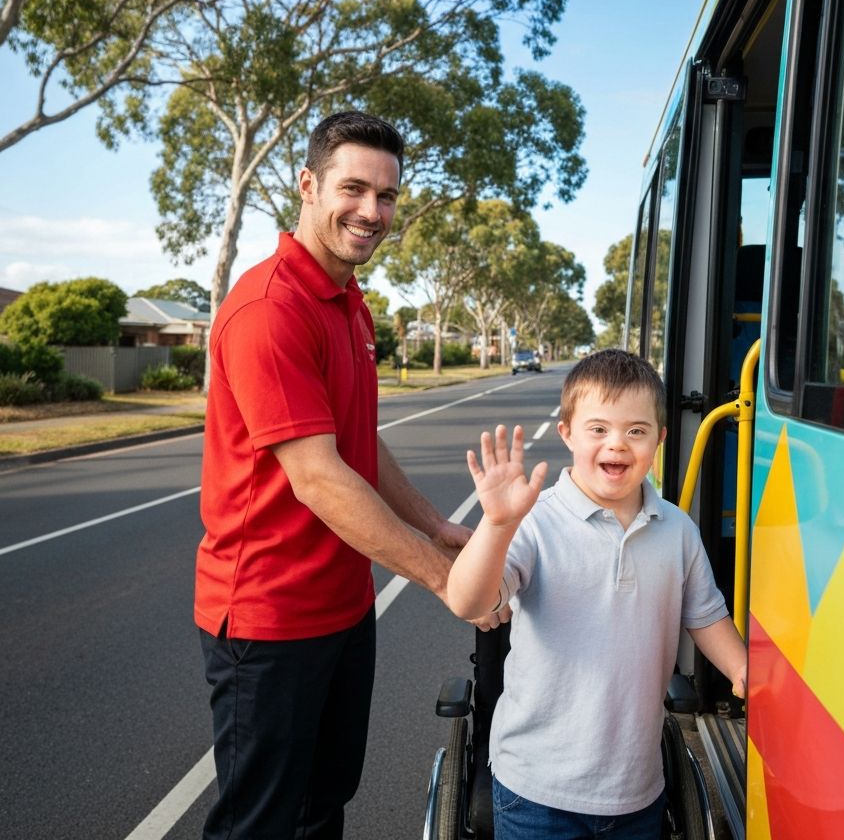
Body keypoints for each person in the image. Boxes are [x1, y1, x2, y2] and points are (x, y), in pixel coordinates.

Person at [194, 110, 473, 839]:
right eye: (355, 189)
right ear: (308, 185)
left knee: (323, 807)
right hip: (268, 617)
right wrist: (444, 579)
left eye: (386, 197)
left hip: (345, 607)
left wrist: (434, 527)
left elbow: (357, 444)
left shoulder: (351, 303)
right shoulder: (269, 308)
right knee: (258, 823)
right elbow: (318, 477)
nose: (372, 212)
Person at [447, 349, 748, 839]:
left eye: (636, 430)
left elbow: (706, 615)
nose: (618, 444)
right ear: (566, 433)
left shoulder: (677, 530)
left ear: (660, 439)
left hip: (636, 788)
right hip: (536, 788)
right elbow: (468, 603)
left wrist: (742, 670)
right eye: (599, 429)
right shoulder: (535, 521)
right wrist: (497, 525)